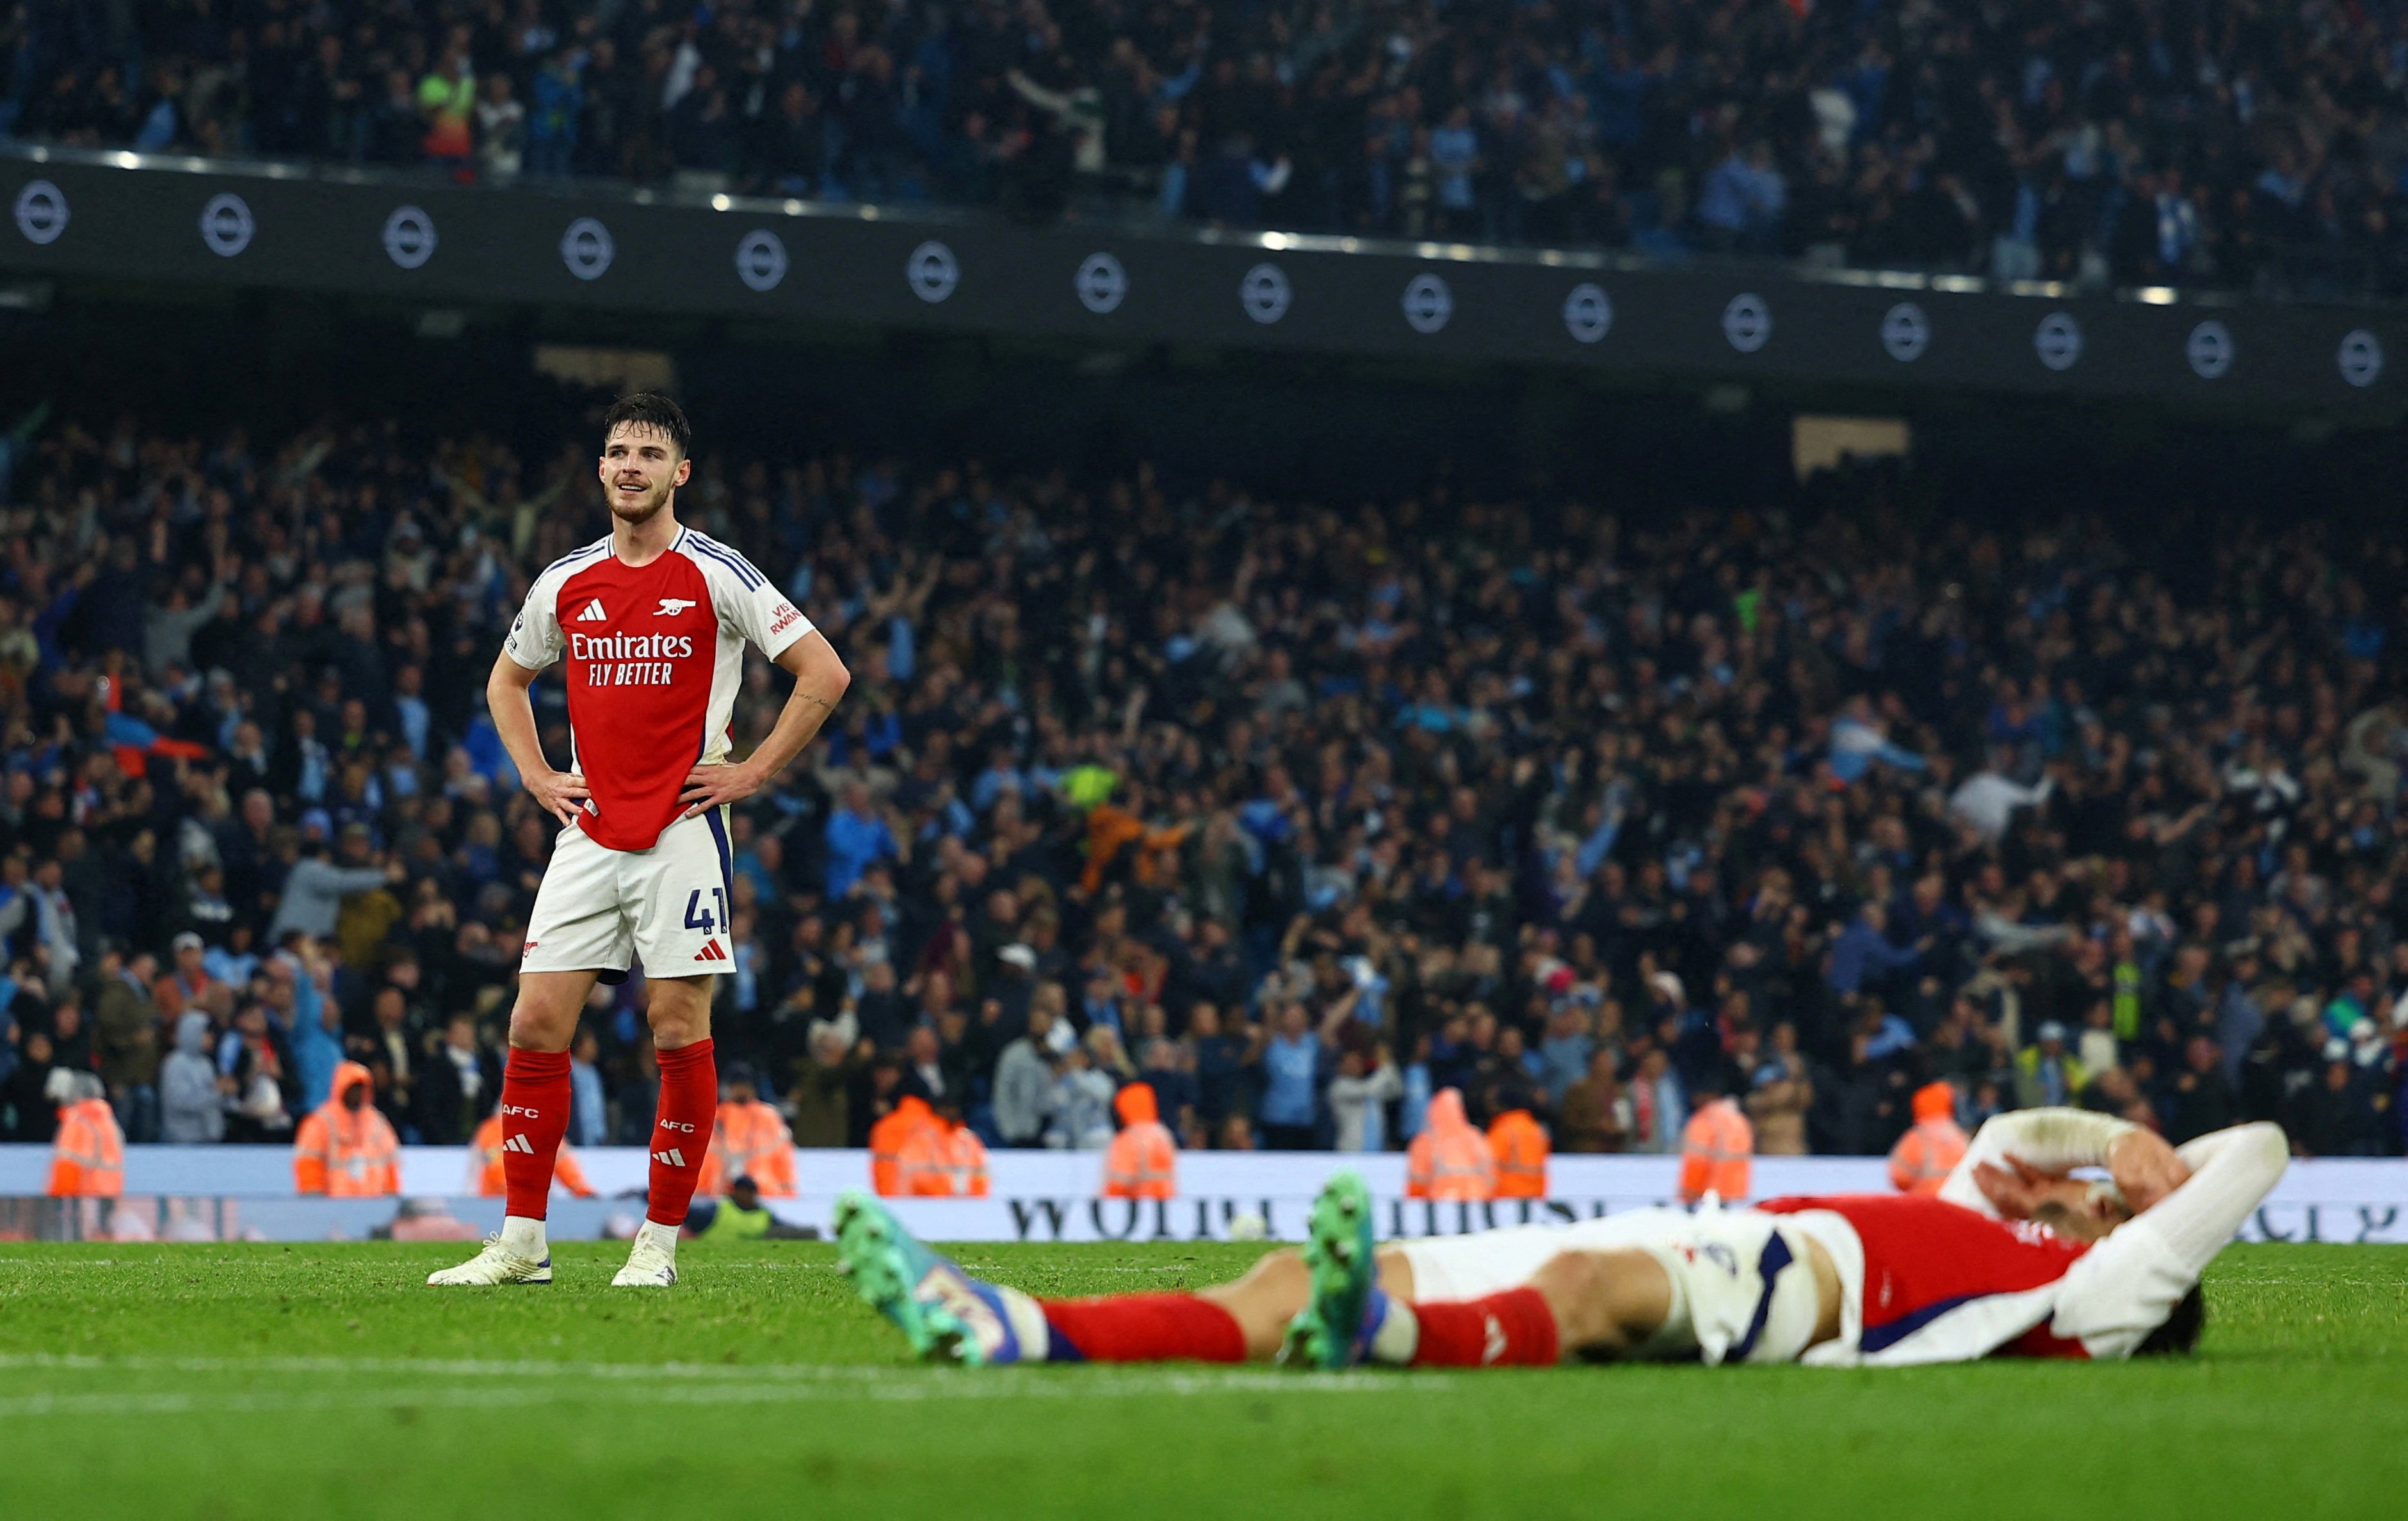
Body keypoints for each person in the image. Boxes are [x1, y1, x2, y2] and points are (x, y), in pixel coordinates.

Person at [831, 1107, 2278, 1371]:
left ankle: (1386, 1335)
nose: (2092, 1198)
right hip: (1717, 1226)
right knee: (1289, 1274)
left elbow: (2255, 1157)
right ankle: (1025, 1323)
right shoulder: (1997, 1211)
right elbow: (2013, 1129)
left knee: (1579, 1294)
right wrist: (2095, 1136)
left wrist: (2140, 1183)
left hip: (1794, 1293)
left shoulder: (2095, 1295)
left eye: (2113, 1205)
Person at [430, 394, 850, 1289]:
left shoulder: (716, 571)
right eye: (618, 452)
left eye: (649, 455)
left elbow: (825, 671)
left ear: (679, 474)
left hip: (683, 831)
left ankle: (657, 1247)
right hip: (587, 831)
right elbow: (507, 682)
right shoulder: (565, 579)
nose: (630, 466)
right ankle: (521, 1243)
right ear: (600, 470)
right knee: (535, 1023)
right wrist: (539, 776)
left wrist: (752, 772)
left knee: (675, 1025)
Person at [293, 1060, 400, 1196]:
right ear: (341, 1087)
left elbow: (390, 1164)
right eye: (353, 1088)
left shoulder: (378, 1123)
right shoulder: (321, 1122)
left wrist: (391, 1198)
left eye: (361, 1088)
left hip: (373, 1207)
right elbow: (309, 1162)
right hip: (332, 1209)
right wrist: (314, 1200)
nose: (357, 1093)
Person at [695, 1063, 798, 1198]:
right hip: (720, 1192)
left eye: (745, 1085)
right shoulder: (715, 1117)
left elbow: (782, 1154)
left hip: (763, 1192)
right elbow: (705, 1158)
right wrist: (700, 1189)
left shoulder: (768, 1116)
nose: (741, 1090)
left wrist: (787, 1188)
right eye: (736, 1086)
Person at [472, 1109, 594, 1199]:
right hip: (497, 1203)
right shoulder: (492, 1130)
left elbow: (563, 1160)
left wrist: (580, 1189)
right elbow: (497, 1168)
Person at [1404, 1088, 1494, 1200]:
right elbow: (1490, 1174)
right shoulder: (1475, 1136)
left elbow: (1417, 1180)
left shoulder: (1427, 1140)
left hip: (1440, 1200)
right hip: (1478, 1198)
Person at [45, 1068, 123, 1198]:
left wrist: (56, 1196)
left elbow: (68, 1161)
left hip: (79, 1195)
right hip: (108, 1193)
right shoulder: (106, 1120)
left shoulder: (78, 1120)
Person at [1677, 1072, 1753, 1203]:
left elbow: (1698, 1160)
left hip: (1711, 1192)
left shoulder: (1705, 1120)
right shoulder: (1738, 1119)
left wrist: (1689, 1192)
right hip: (1736, 1191)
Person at [1889, 1081, 1969, 1195]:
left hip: (1926, 1203)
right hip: (1958, 1203)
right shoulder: (1960, 1136)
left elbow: (1900, 1176)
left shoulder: (1918, 1136)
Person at [898, 1097, 990, 1196]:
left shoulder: (968, 1139)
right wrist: (944, 1197)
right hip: (926, 1204)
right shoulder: (921, 1137)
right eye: (945, 1108)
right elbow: (917, 1175)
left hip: (964, 1205)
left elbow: (980, 1172)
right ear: (936, 1110)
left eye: (952, 1108)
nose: (950, 1112)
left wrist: (975, 1200)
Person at [1102, 1081, 1176, 1198]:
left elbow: (1120, 1180)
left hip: (1132, 1204)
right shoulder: (1163, 1135)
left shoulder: (1127, 1138)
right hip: (1163, 1201)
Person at [870, 1091, 937, 1196]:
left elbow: (880, 1168)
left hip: (889, 1198)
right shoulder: (934, 1127)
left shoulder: (884, 1126)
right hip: (925, 1201)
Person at [1487, 1104, 1549, 1198]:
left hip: (1506, 1195)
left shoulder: (1503, 1130)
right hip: (1536, 1194)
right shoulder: (1537, 1130)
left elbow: (1489, 1162)